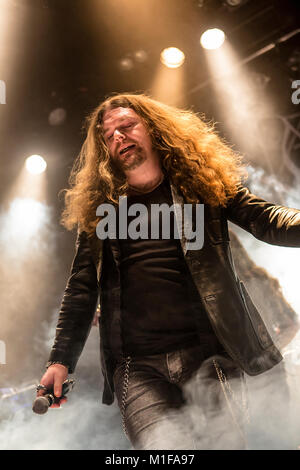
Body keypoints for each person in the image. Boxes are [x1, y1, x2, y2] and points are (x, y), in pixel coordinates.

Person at [37, 93, 300, 450]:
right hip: (138, 367)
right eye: (108, 134)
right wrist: (60, 359)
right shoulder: (102, 209)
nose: (117, 136)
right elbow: (81, 287)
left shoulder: (201, 185)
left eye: (127, 125)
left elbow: (265, 218)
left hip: (210, 352)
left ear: (154, 129)